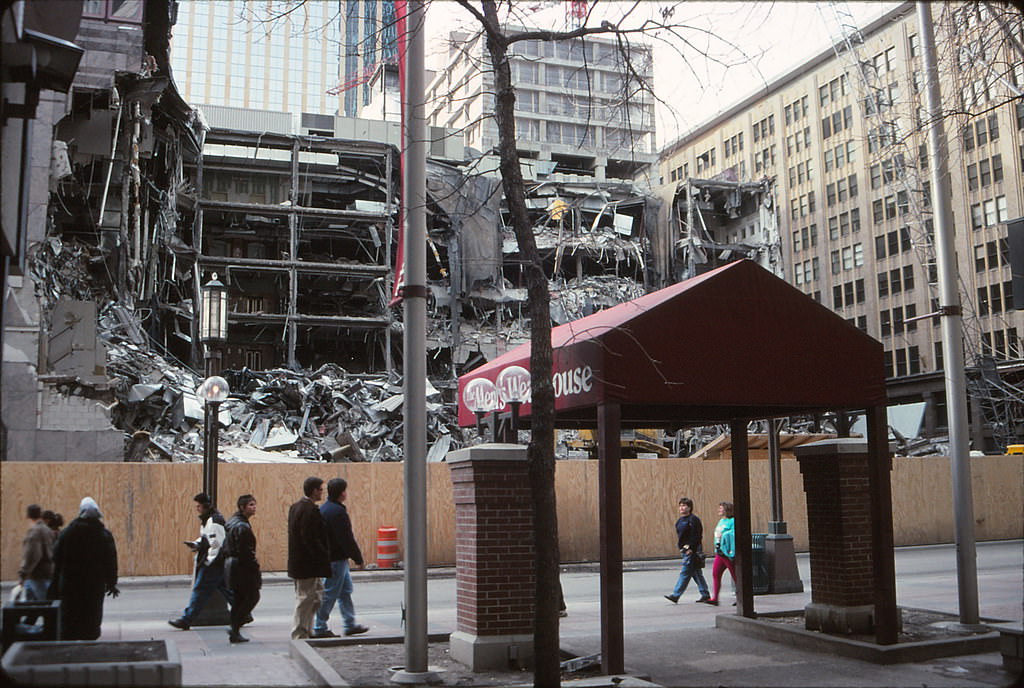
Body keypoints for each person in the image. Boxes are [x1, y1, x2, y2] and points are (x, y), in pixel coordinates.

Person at [49, 497, 119, 640]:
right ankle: (89, 640)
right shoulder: (104, 535)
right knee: (91, 616)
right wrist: (112, 582)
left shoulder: (67, 533)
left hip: (70, 584)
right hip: (93, 585)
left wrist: (55, 583)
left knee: (70, 617)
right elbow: (110, 561)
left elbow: (56, 558)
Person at [313, 478, 369, 638]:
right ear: (342, 493)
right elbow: (346, 538)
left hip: (332, 557)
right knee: (330, 593)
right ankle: (320, 626)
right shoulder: (337, 512)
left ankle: (349, 623)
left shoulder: (325, 509)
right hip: (336, 559)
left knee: (344, 591)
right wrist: (358, 558)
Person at [169, 493, 233, 630]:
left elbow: (217, 544)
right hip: (215, 562)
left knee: (199, 590)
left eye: (198, 506)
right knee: (226, 590)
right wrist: (196, 543)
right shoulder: (208, 519)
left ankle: (186, 619)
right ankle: (244, 613)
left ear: (205, 506)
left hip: (213, 563)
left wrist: (208, 561)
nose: (197, 509)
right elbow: (207, 539)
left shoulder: (214, 521)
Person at [288, 476, 331, 639]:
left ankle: (306, 628)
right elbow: (310, 537)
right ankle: (300, 631)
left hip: (301, 562)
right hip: (307, 563)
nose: (322, 493)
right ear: (314, 491)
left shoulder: (296, 507)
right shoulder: (309, 510)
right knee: (306, 598)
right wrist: (321, 556)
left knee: (315, 596)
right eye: (320, 489)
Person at [225, 494, 261, 644]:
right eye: (251, 505)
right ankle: (235, 626)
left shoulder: (234, 522)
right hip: (241, 567)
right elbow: (245, 551)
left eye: (254, 504)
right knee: (252, 597)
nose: (254, 507)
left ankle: (234, 629)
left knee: (239, 599)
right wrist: (255, 567)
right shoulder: (242, 526)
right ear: (242, 507)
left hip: (233, 565)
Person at [664, 496, 710, 604]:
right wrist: (681, 548)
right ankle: (705, 594)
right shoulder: (680, 521)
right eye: (680, 506)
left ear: (689, 508)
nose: (681, 508)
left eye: (684, 506)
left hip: (692, 551)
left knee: (685, 572)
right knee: (696, 573)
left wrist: (691, 548)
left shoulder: (693, 520)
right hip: (685, 550)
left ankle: (676, 595)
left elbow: (697, 536)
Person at [19, 504, 55, 601]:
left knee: (42, 607)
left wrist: (23, 573)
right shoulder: (48, 530)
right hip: (47, 572)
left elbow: (32, 555)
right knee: (40, 607)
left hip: (37, 575)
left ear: (28, 516)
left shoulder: (34, 532)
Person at [707, 501, 736, 606]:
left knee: (735, 575)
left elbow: (733, 535)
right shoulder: (721, 521)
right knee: (716, 573)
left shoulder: (732, 521)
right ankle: (715, 597)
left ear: (727, 510)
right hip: (720, 552)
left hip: (727, 553)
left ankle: (742, 596)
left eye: (721, 508)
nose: (719, 510)